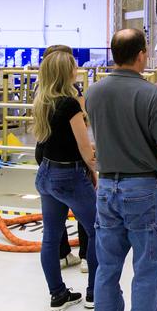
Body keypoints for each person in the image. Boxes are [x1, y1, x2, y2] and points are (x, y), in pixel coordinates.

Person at [87, 29, 157, 311]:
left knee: (107, 267)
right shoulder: (151, 95)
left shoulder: (93, 93)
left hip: (107, 189)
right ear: (141, 54)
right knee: (148, 268)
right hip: (143, 190)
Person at [32, 48, 98, 311]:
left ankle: (57, 295)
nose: (77, 68)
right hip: (70, 175)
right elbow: (84, 146)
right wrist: (95, 165)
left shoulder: (42, 101)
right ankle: (94, 292)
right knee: (97, 230)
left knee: (50, 237)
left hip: (46, 174)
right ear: (65, 72)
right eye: (73, 66)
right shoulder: (70, 104)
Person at [44, 45, 90, 272]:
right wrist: (93, 167)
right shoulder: (71, 99)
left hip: (46, 163)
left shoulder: (41, 96)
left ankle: (61, 263)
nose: (78, 67)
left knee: (51, 232)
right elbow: (82, 137)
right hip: (69, 165)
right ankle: (88, 261)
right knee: (91, 220)